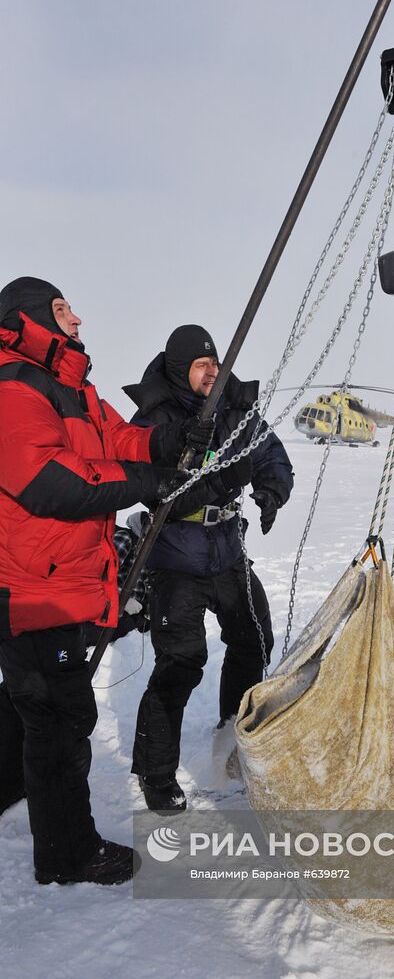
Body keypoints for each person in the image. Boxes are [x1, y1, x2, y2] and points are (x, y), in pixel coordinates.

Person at [0, 277, 226, 885]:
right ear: (31, 318)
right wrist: (148, 484)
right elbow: (53, 480)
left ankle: (22, 801)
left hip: (63, 580)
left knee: (38, 706)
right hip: (31, 589)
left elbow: (118, 437)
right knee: (59, 720)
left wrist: (167, 441)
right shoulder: (14, 388)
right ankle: (67, 854)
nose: (76, 317)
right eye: (62, 308)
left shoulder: (71, 386)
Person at [124, 324, 294, 812]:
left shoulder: (234, 410)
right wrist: (226, 478)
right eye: (202, 366)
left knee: (254, 636)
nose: (212, 372)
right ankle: (155, 773)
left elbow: (271, 454)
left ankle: (230, 734)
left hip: (226, 551)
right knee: (180, 661)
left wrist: (269, 490)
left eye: (215, 364)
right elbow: (157, 491)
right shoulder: (153, 422)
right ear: (180, 371)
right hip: (175, 557)